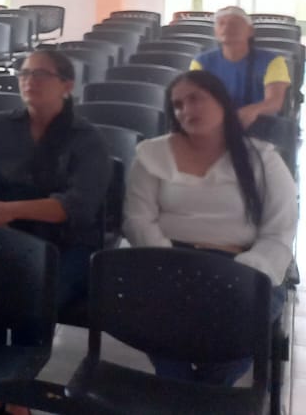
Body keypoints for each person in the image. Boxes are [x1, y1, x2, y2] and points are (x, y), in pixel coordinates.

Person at [125, 69, 297, 385]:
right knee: (155, 320)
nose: (186, 110)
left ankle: (203, 391)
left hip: (242, 264)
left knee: (237, 335)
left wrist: (244, 272)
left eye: (196, 99)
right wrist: (164, 261)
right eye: (178, 105)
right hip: (168, 259)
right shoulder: (153, 154)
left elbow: (280, 229)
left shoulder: (262, 158)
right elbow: (138, 220)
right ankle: (181, 389)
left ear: (222, 102)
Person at [0, 48, 111, 415]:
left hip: (64, 243)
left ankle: (18, 395)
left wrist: (9, 210)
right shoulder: (0, 126)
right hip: (5, 234)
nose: (29, 80)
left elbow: (77, 206)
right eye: (25, 73)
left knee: (33, 297)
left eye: (41, 74)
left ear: (66, 85)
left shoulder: (87, 138)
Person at [190, 7, 291, 128]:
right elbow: (194, 97)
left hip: (260, 126)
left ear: (250, 31)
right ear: (215, 32)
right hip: (214, 126)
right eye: (221, 24)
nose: (226, 28)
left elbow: (274, 102)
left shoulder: (273, 61)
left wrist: (253, 110)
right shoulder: (201, 62)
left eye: (234, 24)